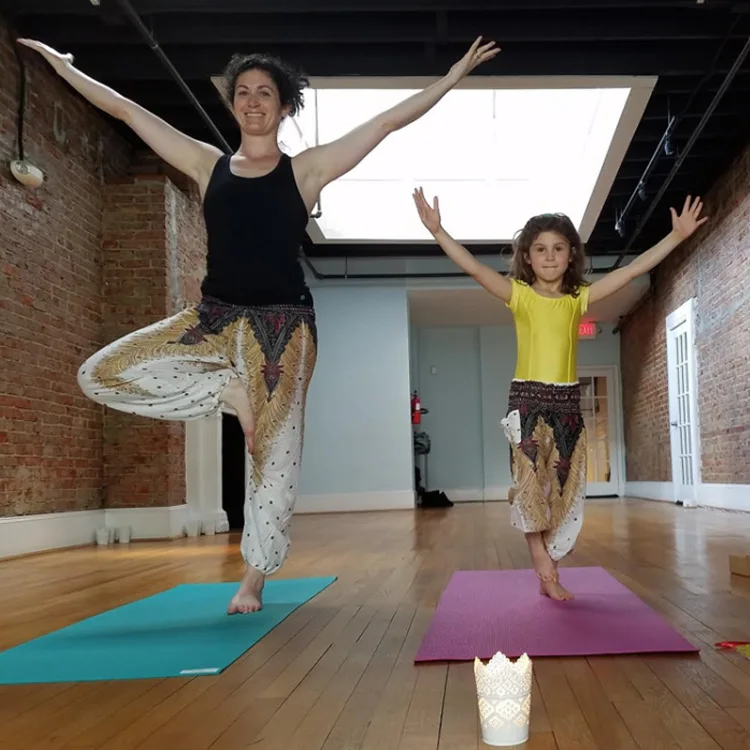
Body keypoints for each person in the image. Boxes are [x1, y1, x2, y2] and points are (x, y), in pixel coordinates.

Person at [17, 36, 499, 614]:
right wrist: (64, 65)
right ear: (233, 104)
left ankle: (253, 580)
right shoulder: (205, 163)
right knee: (101, 373)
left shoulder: (308, 170)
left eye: (264, 93)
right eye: (242, 92)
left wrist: (449, 76)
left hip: (284, 328)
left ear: (283, 106)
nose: (251, 101)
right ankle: (230, 394)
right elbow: (125, 108)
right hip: (213, 319)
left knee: (275, 458)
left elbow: (388, 123)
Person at [412, 188, 707, 600]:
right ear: (527, 257)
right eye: (540, 249)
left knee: (564, 491)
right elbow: (477, 271)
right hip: (528, 403)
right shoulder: (521, 296)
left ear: (571, 256)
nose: (549, 256)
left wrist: (675, 238)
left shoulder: (577, 299)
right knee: (531, 484)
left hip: (568, 404)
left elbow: (629, 272)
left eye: (558, 248)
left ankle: (551, 564)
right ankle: (543, 568)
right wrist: (439, 231)